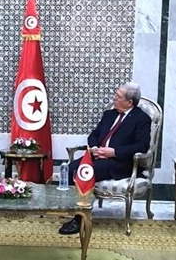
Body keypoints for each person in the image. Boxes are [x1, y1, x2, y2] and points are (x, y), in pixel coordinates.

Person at [58, 82, 152, 235]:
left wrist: (114, 152)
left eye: (118, 96)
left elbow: (142, 146)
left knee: (84, 172)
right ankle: (73, 210)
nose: (114, 98)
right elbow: (94, 135)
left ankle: (80, 219)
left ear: (129, 102)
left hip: (120, 162)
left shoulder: (141, 119)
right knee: (69, 170)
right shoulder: (109, 114)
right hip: (98, 157)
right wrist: (95, 147)